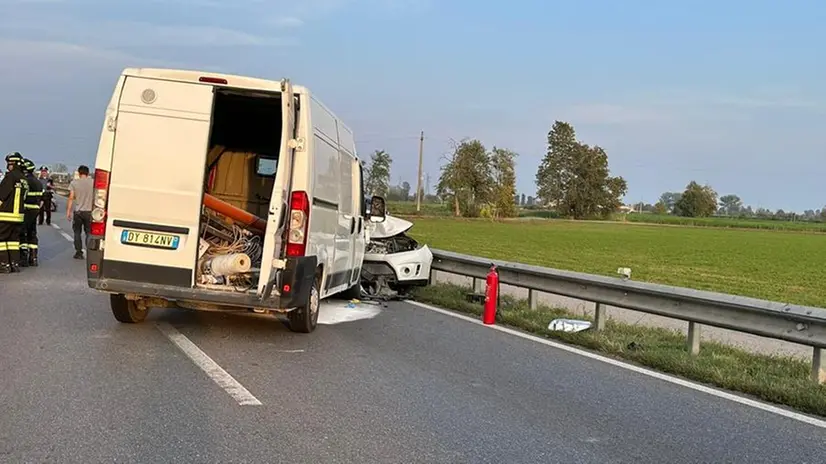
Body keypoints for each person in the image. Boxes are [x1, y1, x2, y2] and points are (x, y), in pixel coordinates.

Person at [0, 153, 28, 273]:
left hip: (6, 214)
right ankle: (14, 264)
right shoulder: (24, 179)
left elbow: (2, 195)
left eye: (9, 164)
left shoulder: (10, 177)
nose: (8, 166)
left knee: (1, 240)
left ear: (14, 164)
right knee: (13, 241)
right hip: (19, 216)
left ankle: (4, 264)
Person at [19, 159, 43, 267]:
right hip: (35, 210)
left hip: (26, 209)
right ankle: (33, 258)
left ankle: (23, 258)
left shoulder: (25, 181)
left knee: (22, 233)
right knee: (32, 233)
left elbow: (22, 196)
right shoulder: (38, 182)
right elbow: (41, 198)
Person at [66, 164, 93, 259]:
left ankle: (79, 252)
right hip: (90, 212)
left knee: (77, 232)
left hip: (78, 212)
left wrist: (68, 211)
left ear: (79, 172)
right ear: (88, 173)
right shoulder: (93, 183)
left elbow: (71, 198)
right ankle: (90, 251)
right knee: (89, 232)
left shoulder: (74, 183)